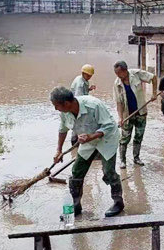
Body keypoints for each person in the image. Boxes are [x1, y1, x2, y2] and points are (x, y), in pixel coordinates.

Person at [50, 87, 123, 217]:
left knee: (109, 171)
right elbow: (63, 129)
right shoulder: (64, 112)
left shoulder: (94, 105)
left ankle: (118, 202)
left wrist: (91, 136)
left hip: (107, 139)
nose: (56, 109)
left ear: (66, 103)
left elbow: (109, 125)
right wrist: (59, 150)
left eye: (57, 106)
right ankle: (76, 205)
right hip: (87, 141)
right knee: (77, 171)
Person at [113, 61, 157, 169]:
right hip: (127, 114)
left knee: (138, 136)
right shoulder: (117, 83)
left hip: (141, 112)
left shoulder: (136, 74)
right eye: (116, 74)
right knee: (124, 138)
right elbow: (119, 102)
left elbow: (153, 77)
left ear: (125, 70)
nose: (118, 76)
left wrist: (154, 93)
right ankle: (122, 161)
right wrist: (120, 117)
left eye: (119, 73)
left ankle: (136, 158)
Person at [69, 64, 96, 146]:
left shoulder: (82, 80)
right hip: (76, 107)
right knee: (77, 126)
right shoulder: (80, 84)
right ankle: (75, 145)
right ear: (84, 73)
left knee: (78, 126)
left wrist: (89, 89)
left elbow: (83, 93)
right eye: (88, 76)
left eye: (90, 76)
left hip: (77, 105)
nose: (89, 77)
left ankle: (77, 145)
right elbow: (78, 99)